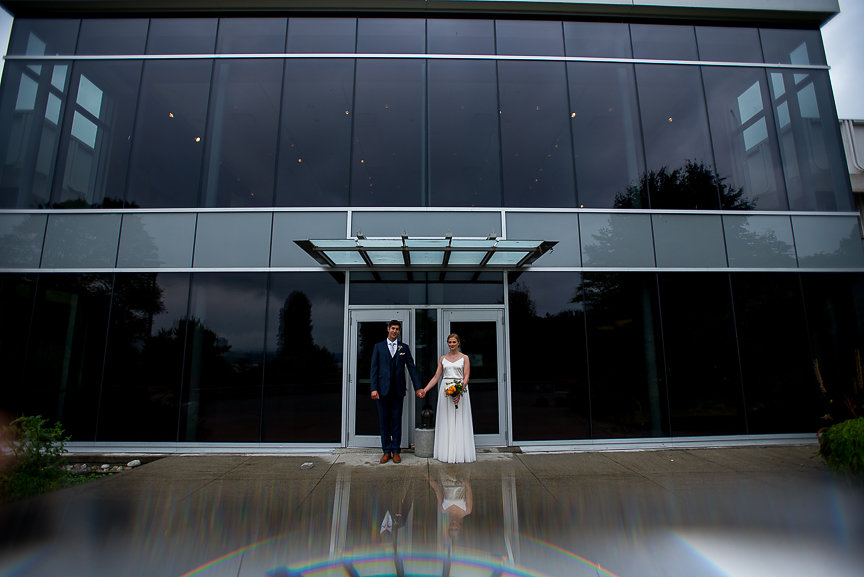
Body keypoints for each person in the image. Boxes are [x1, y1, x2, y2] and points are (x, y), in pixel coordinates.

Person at [370, 319, 424, 464]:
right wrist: (373, 388)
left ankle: (396, 451)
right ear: (388, 329)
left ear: (399, 331)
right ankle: (386, 451)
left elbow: (412, 368)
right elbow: (374, 370)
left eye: (397, 329)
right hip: (382, 391)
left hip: (398, 392)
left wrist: (418, 387)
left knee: (396, 422)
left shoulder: (403, 348)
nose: (394, 331)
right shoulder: (378, 347)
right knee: (384, 422)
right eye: (392, 328)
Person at [420, 333, 476, 463]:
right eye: (449, 342)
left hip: (460, 389)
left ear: (458, 343)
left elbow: (466, 376)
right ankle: (446, 452)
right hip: (445, 390)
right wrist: (425, 389)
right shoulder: (442, 358)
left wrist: (458, 392)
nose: (451, 344)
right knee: (447, 419)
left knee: (459, 419)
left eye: (454, 342)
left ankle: (459, 452)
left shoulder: (465, 358)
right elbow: (436, 377)